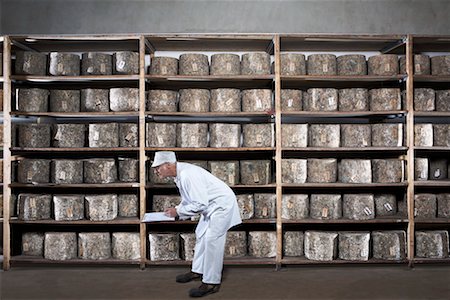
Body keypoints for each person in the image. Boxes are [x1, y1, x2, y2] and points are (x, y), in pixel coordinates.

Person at [151, 151, 242, 298]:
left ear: (168, 165)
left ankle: (211, 282)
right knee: (201, 235)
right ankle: (198, 271)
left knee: (213, 240)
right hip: (210, 206)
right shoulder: (179, 174)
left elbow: (199, 203)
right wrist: (177, 209)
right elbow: (189, 199)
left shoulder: (187, 175)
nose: (155, 171)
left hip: (221, 205)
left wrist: (178, 212)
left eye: (158, 167)